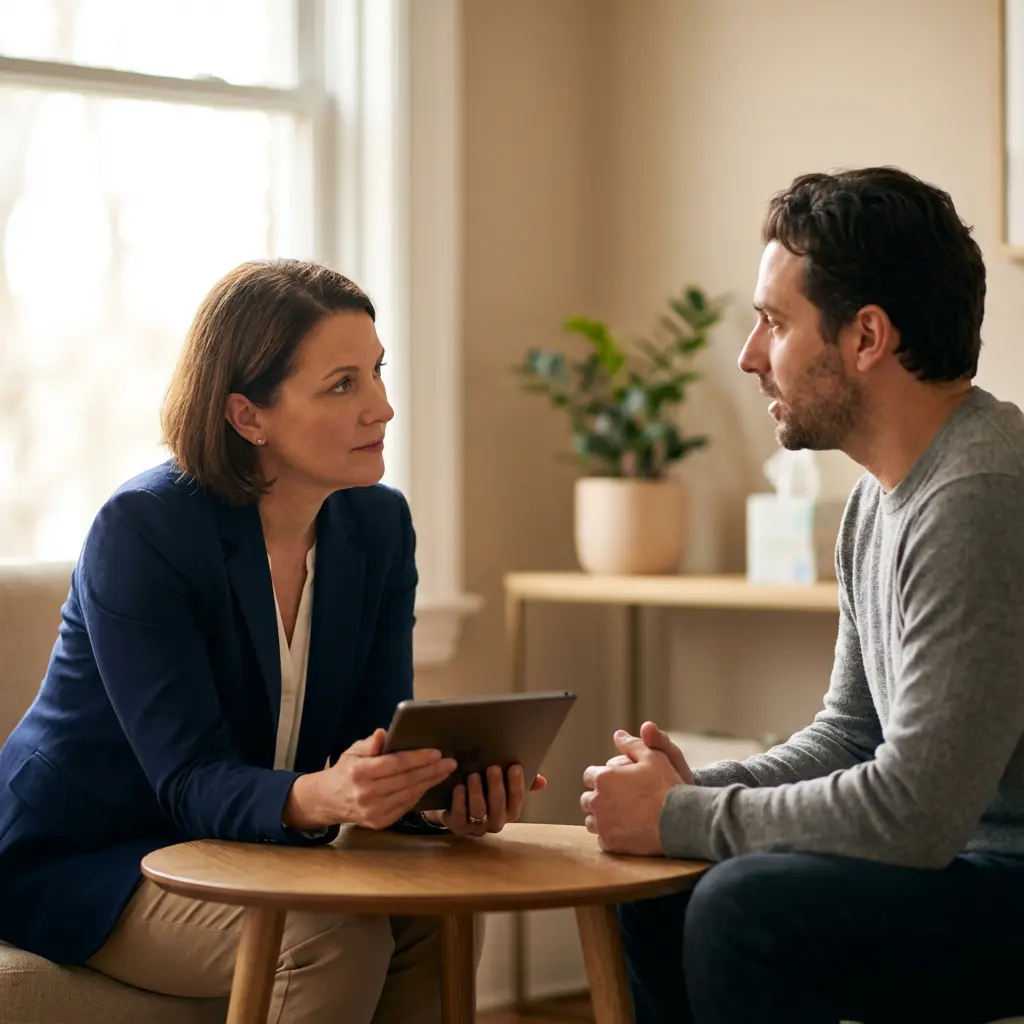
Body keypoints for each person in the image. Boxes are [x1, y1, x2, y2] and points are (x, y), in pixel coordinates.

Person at [0, 259, 544, 1023]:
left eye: (378, 372)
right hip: (92, 853)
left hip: (251, 842)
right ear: (247, 416)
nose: (383, 408)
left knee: (441, 908)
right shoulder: (144, 531)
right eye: (343, 384)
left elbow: (372, 740)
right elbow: (187, 776)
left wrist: (432, 796)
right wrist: (319, 795)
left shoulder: (378, 527)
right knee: (328, 938)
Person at [580, 167, 1024, 1023]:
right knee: (656, 885)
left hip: (1005, 876)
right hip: (963, 867)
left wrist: (684, 816)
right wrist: (691, 792)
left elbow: (915, 812)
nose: (750, 355)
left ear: (866, 337)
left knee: (744, 910)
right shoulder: (876, 498)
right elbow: (851, 732)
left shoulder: (978, 492)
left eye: (775, 323)